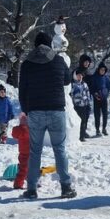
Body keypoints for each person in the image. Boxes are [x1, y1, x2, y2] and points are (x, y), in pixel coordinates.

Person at [18, 31, 76, 199]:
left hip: (35, 111)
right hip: (57, 110)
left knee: (35, 151)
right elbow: (67, 80)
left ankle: (32, 189)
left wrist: (27, 111)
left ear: (35, 45)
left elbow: (22, 91)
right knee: (60, 149)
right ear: (50, 45)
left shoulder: (27, 64)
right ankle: (66, 187)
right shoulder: (58, 60)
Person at [90, 62, 110, 136]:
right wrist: (95, 94)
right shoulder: (94, 77)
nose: (103, 71)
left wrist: (106, 93)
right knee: (97, 115)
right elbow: (91, 88)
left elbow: (108, 87)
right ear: (98, 69)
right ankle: (97, 130)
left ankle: (104, 128)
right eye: (101, 69)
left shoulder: (106, 78)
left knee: (105, 114)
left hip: (104, 99)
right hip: (97, 99)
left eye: (104, 70)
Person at [71, 69, 91, 141]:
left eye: (81, 75)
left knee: (84, 121)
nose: (80, 76)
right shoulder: (72, 84)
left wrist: (88, 102)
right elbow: (71, 94)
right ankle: (77, 135)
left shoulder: (84, 84)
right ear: (75, 76)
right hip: (76, 106)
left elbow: (88, 93)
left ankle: (82, 136)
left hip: (84, 106)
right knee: (77, 121)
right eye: (78, 75)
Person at [11, 113, 29, 189]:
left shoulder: (20, 130)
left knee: (28, 168)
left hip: (26, 152)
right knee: (24, 169)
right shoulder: (25, 130)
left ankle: (32, 181)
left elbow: (14, 133)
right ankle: (18, 184)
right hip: (27, 153)